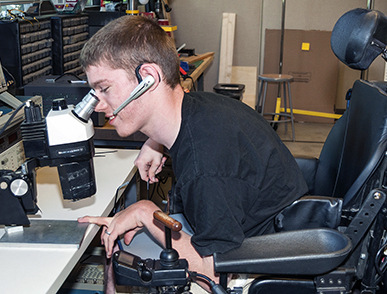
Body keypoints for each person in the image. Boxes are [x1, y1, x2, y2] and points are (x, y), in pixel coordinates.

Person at [77, 15, 308, 292]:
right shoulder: (199, 109)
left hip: (258, 265)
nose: (98, 105)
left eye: (104, 89)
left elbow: (214, 274)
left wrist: (144, 213)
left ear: (147, 78)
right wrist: (155, 141)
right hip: (259, 228)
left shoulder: (206, 164)